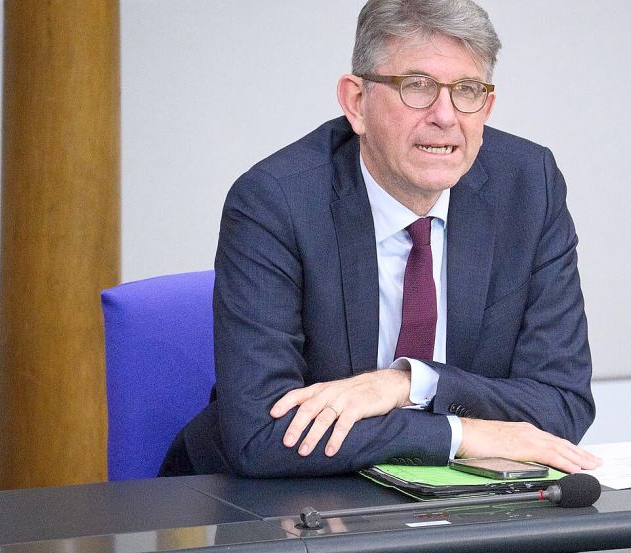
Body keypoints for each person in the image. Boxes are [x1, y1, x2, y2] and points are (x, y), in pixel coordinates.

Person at [160, 0, 600, 478]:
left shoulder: (529, 187)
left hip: (445, 503)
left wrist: (408, 385)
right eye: (417, 87)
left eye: (467, 91)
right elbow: (263, 434)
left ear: (487, 106)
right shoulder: (276, 201)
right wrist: (465, 434)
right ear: (356, 102)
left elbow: (562, 403)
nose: (445, 117)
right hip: (260, 502)